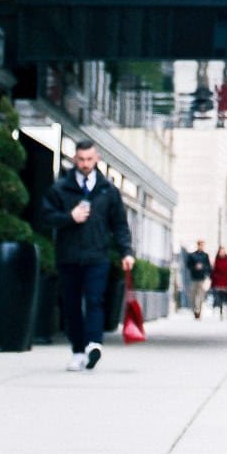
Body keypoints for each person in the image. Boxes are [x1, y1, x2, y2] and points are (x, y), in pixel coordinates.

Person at [42, 139, 134, 371]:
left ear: (97, 159)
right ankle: (78, 351)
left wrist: (126, 251)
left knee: (95, 300)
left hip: (97, 255)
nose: (85, 164)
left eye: (89, 159)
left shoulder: (108, 190)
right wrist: (69, 217)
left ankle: (94, 344)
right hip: (69, 256)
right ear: (75, 159)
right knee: (71, 305)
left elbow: (119, 224)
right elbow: (46, 217)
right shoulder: (61, 188)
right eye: (81, 160)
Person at [185, 240, 211, 319]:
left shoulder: (205, 256)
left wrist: (203, 268)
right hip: (194, 278)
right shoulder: (192, 255)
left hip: (201, 278)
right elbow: (188, 265)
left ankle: (199, 311)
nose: (202, 247)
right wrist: (195, 267)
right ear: (198, 245)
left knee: (200, 296)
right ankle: (194, 310)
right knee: (193, 296)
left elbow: (208, 266)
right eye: (201, 245)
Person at [209, 246, 227, 318]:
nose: (222, 253)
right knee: (220, 298)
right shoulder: (217, 260)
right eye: (221, 251)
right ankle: (221, 312)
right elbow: (214, 271)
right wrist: (215, 278)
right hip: (220, 282)